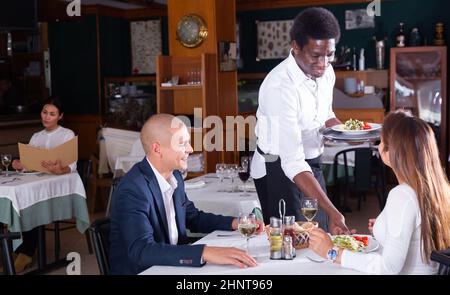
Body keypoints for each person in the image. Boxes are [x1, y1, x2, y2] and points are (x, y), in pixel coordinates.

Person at [109, 114, 264, 275]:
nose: (190, 149)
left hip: (172, 268)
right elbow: (142, 250)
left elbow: (192, 217)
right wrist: (205, 252)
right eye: (182, 143)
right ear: (157, 149)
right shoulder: (133, 189)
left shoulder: (174, 176)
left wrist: (235, 223)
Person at [309, 110, 450, 274]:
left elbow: (388, 268)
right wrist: (386, 225)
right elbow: (416, 233)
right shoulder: (438, 189)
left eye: (381, 140)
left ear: (393, 151)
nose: (378, 145)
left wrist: (331, 252)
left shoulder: (402, 195)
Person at [251, 7, 348, 234]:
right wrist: (334, 211)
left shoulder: (326, 73)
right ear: (295, 46)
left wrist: (349, 134)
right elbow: (292, 161)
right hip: (277, 167)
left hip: (311, 165)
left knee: (320, 233)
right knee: (291, 242)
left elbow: (325, 116)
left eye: (330, 54)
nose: (324, 63)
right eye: (316, 55)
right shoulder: (279, 86)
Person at [11, 97, 77, 272]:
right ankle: (16, 249)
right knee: (18, 203)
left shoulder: (67, 135)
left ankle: (26, 253)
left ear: (60, 116)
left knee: (31, 205)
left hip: (59, 190)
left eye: (52, 114)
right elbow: (29, 164)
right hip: (37, 185)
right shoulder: (36, 136)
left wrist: (59, 170)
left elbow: (72, 166)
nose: (47, 117)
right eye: (44, 112)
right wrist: (21, 165)